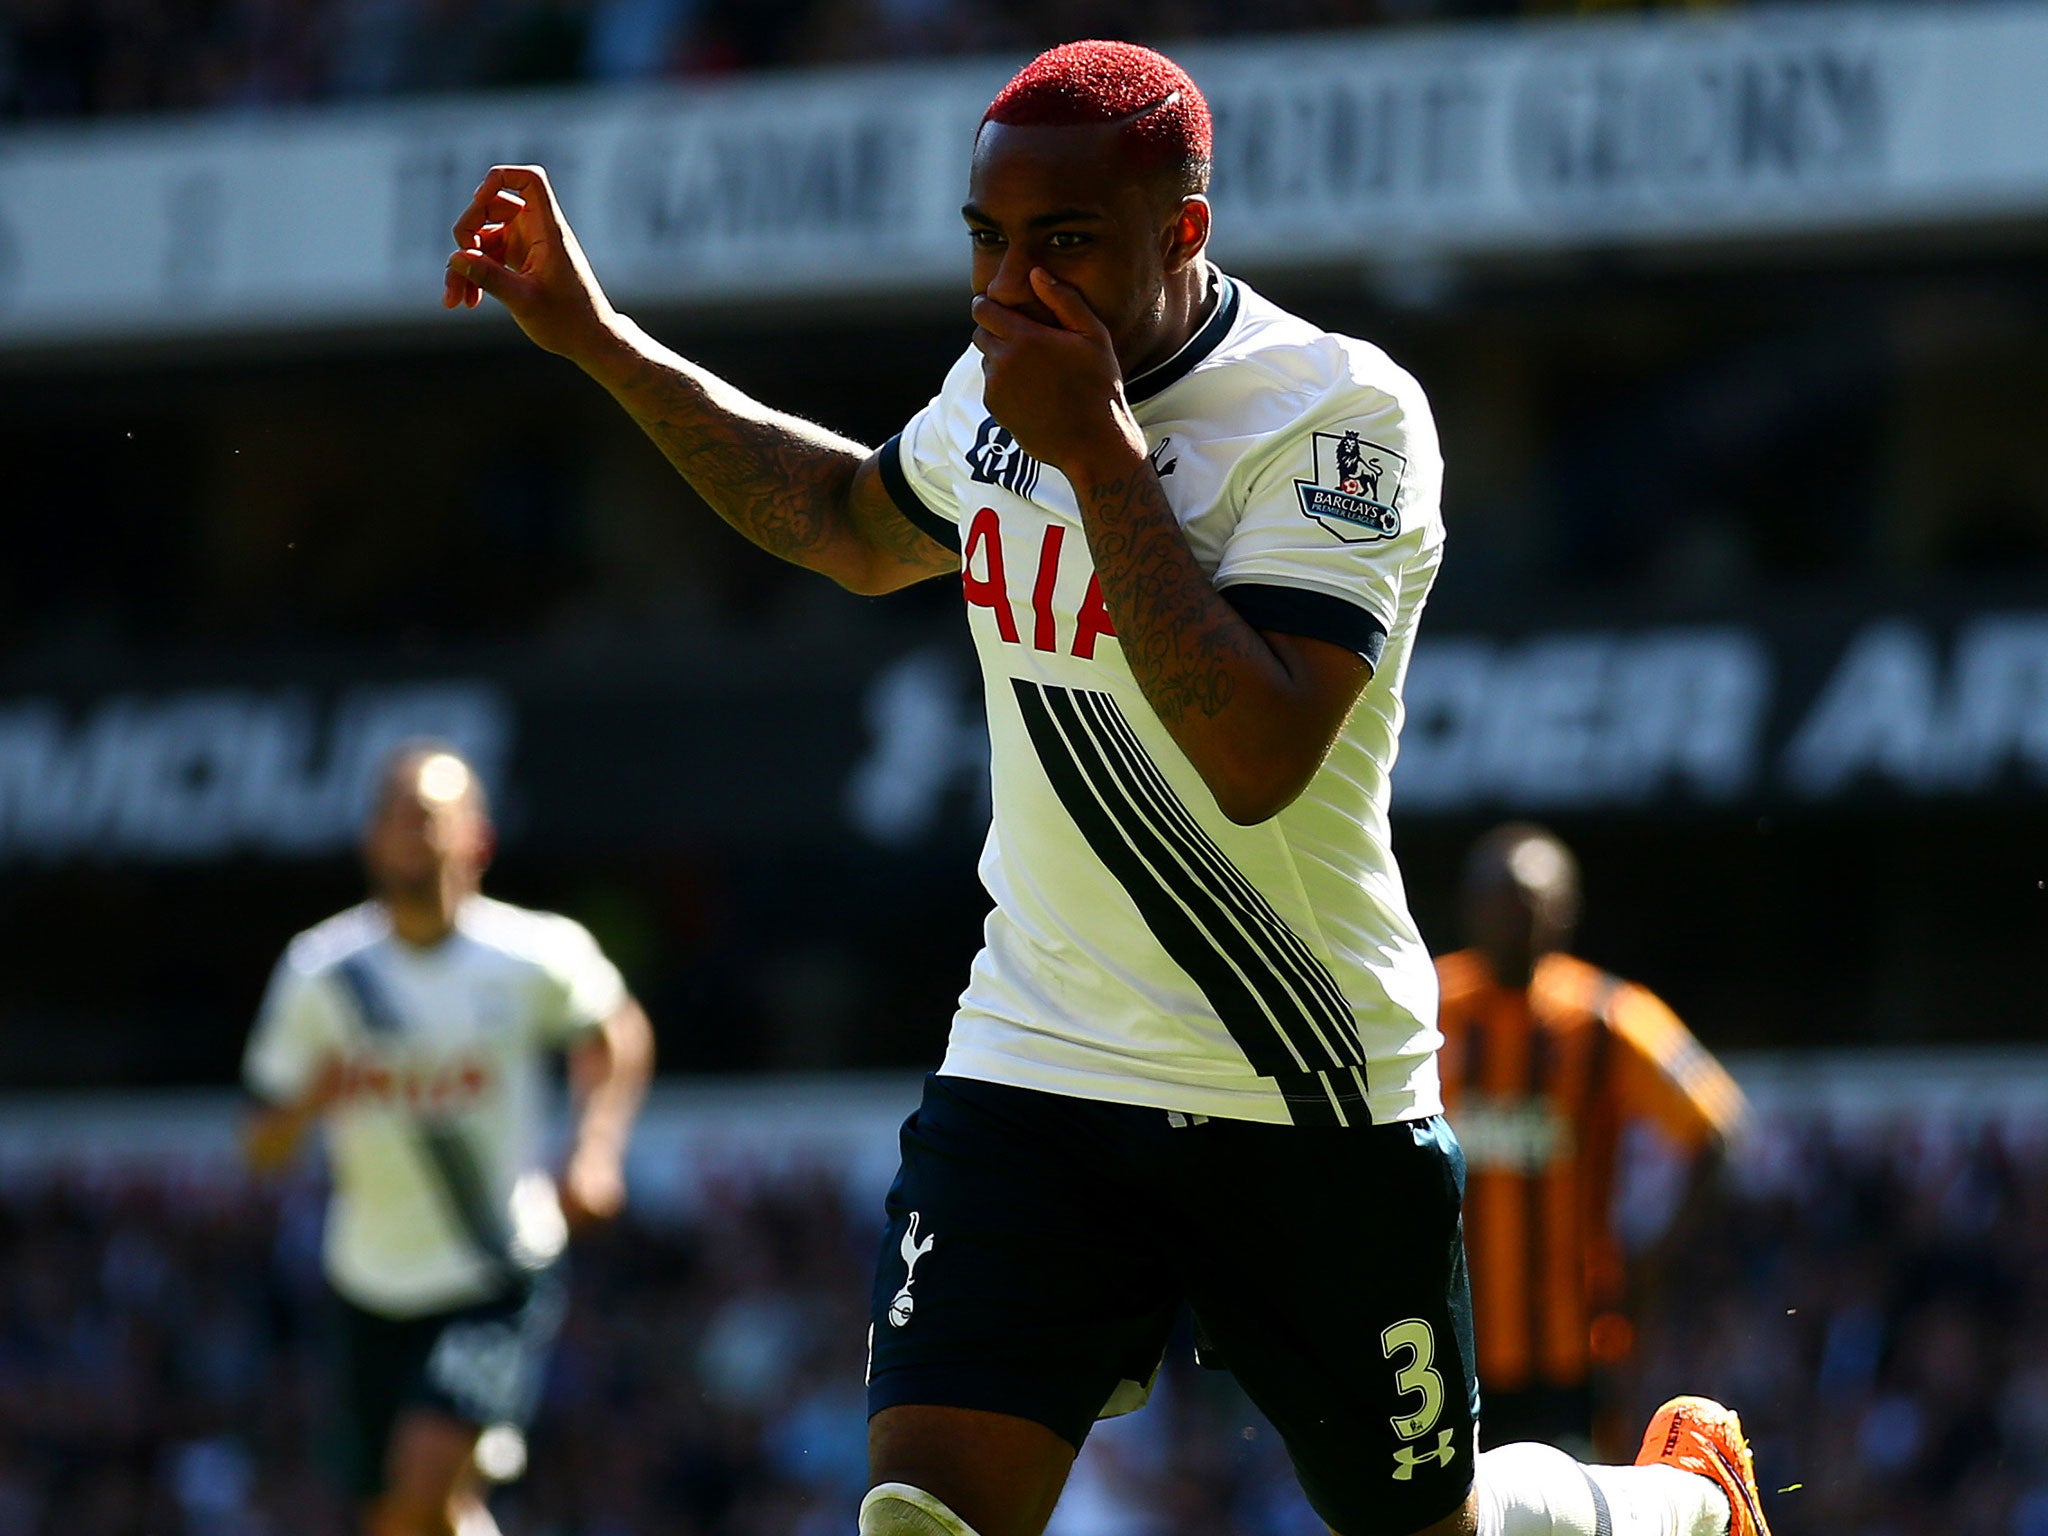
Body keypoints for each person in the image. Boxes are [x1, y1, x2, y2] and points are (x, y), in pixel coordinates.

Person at [442, 40, 1773, 1536]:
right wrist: (599, 337)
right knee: (921, 1517)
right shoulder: (999, 386)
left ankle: (1668, 1507)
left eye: (1062, 242)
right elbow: (842, 519)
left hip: (1303, 1081)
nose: (1013, 284)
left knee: (1432, 1528)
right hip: (1039, 1060)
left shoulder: (1340, 416)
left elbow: (1257, 756)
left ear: (1183, 231)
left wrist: (1094, 451)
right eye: (988, 242)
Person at [242, 745, 655, 1536]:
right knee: (405, 1519)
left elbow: (615, 1032)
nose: (410, 834)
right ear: (369, 839)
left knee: (425, 1483)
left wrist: (595, 1147)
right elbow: (257, 1145)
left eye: (429, 816)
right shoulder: (321, 974)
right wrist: (306, 1106)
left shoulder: (532, 955)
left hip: (491, 1267)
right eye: (394, 816)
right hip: (367, 1280)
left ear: (477, 838)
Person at [1437, 825, 1747, 1455]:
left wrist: (1649, 1261)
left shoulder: (1606, 1018)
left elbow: (1717, 1129)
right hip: (1447, 1341)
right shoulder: (1423, 1006)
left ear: (1564, 911)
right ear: (1469, 907)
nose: (1512, 917)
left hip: (1573, 1348)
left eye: (1528, 900)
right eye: (1498, 899)